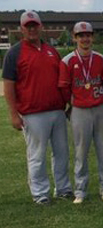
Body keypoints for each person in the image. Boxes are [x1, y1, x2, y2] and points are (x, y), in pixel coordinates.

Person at [2, 11, 73, 204]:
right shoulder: (15, 53)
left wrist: (68, 104)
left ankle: (63, 188)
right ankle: (40, 193)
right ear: (21, 29)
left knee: (61, 153)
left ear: (40, 27)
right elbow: (8, 84)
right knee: (37, 155)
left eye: (35, 25)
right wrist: (13, 114)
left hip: (57, 110)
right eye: (28, 26)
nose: (32, 29)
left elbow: (62, 79)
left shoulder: (51, 50)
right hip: (32, 113)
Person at [58, 21, 103, 203]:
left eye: (88, 35)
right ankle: (80, 190)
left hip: (99, 108)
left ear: (92, 37)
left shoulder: (101, 58)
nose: (85, 38)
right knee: (81, 152)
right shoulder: (67, 60)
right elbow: (64, 88)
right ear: (75, 38)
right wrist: (73, 102)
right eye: (81, 35)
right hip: (79, 110)